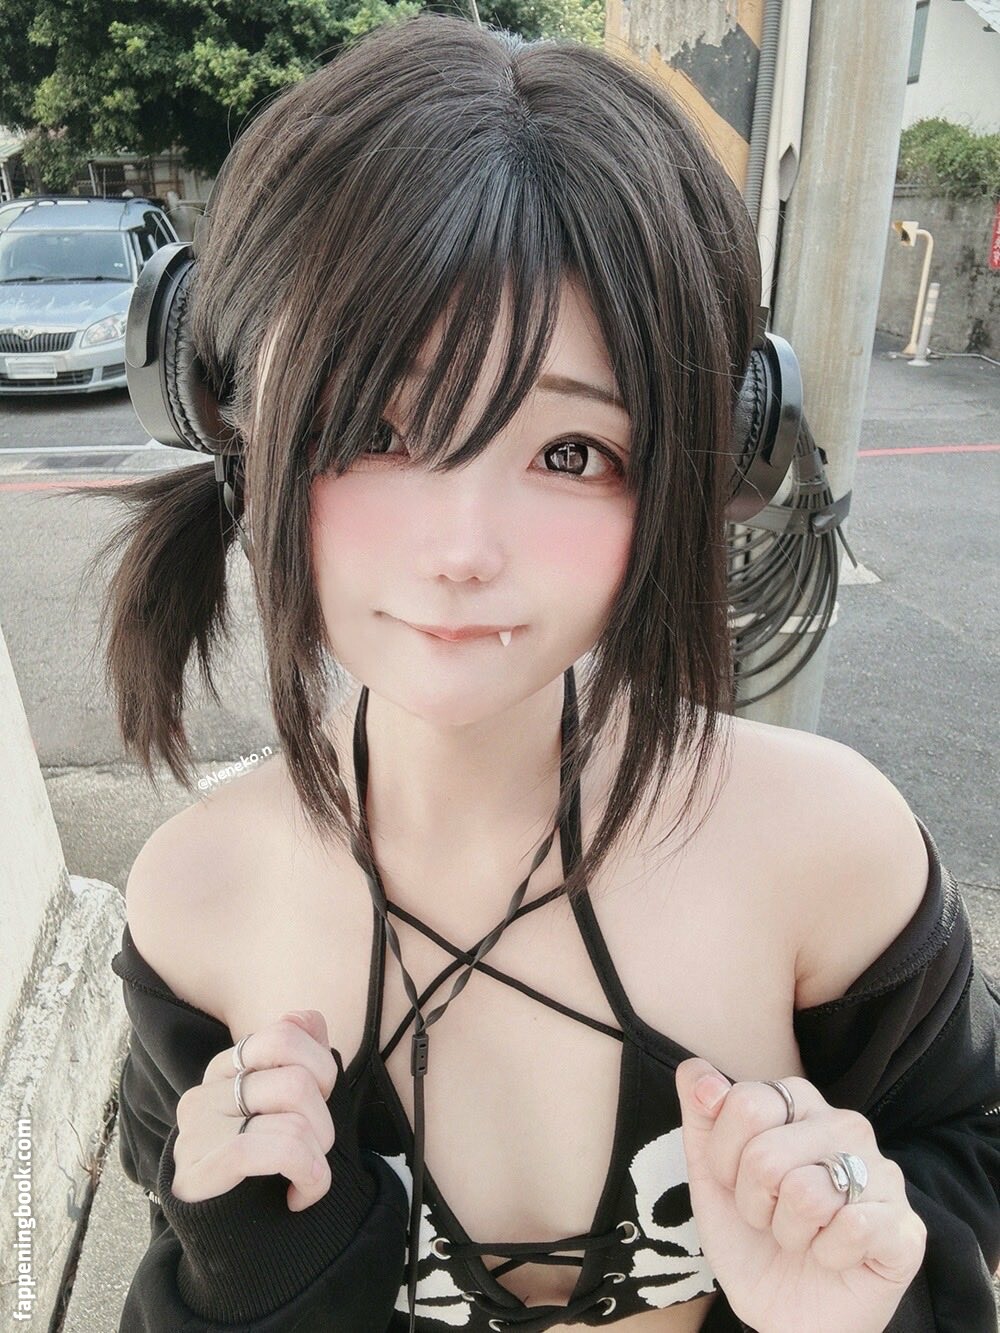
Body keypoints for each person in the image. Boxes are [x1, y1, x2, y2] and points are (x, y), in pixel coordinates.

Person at [90, 13, 999, 1332]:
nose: (463, 549)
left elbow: (967, 1149)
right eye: (372, 430)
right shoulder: (195, 898)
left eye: (571, 452)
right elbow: (182, 1254)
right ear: (239, 424)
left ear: (704, 462)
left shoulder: (828, 847)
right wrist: (239, 1287)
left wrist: (861, 1302)